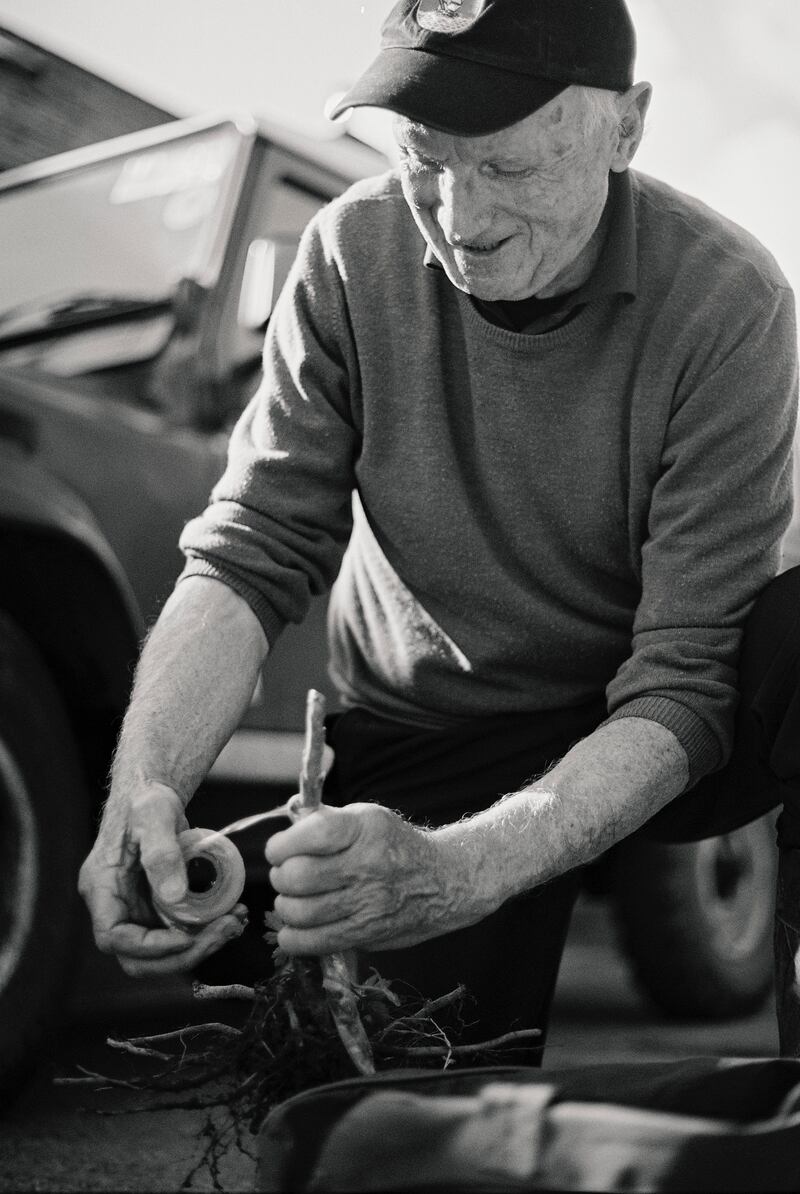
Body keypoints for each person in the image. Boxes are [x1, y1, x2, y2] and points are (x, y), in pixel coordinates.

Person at [78, 0, 798, 1061]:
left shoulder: (729, 305)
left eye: (506, 169)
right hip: (434, 722)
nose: (459, 220)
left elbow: (685, 679)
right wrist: (140, 790)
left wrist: (461, 874)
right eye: (426, 159)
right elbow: (248, 551)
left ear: (623, 128)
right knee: (391, 1113)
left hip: (645, 719)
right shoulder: (346, 258)